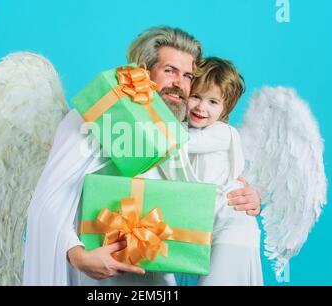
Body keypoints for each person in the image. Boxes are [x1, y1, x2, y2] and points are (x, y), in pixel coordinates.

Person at [23, 26, 262, 286]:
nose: (179, 84)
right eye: (169, 70)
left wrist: (244, 194)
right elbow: (48, 202)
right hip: (103, 275)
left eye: (187, 76)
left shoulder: (181, 129)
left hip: (157, 276)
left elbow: (201, 188)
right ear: (142, 71)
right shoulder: (98, 115)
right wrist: (78, 255)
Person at [178, 57, 262, 285]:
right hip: (209, 230)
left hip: (232, 225)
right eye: (196, 96)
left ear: (226, 108)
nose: (200, 107)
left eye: (213, 102)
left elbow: (180, 141)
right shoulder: (183, 129)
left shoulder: (221, 133)